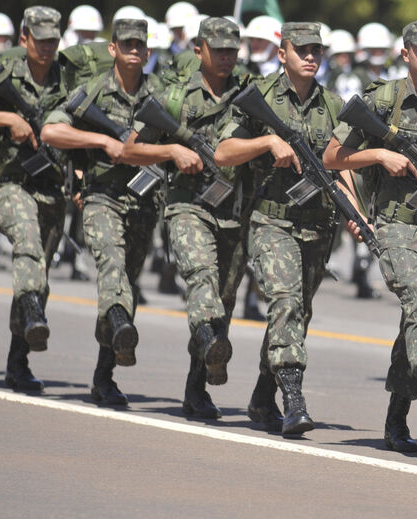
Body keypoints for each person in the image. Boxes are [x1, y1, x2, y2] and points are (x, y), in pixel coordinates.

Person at [324, 18, 417, 452]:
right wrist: (380, 153)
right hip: (397, 226)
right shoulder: (382, 100)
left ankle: (396, 417)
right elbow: (331, 156)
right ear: (406, 54)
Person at [216, 22, 346, 437]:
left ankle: (261, 394)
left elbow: (342, 169)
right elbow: (223, 152)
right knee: (285, 303)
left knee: (297, 315)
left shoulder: (335, 105)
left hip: (318, 226)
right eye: (302, 49)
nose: (311, 56)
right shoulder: (260, 98)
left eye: (317, 50)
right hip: (272, 222)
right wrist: (265, 144)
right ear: (282, 53)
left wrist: (357, 216)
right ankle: (294, 398)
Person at [123, 17, 249, 420]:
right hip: (187, 204)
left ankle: (197, 387)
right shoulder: (175, 96)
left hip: (234, 211)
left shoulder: (249, 93)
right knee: (201, 277)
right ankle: (209, 340)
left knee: (223, 300)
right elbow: (131, 149)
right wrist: (172, 152)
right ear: (199, 50)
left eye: (233, 50)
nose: (227, 57)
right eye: (219, 50)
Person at [41, 18, 163, 406]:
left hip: (143, 202)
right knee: (111, 267)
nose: (133, 50)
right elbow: (51, 131)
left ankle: (103, 374)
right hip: (101, 197)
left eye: (139, 45)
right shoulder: (92, 91)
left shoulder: (161, 95)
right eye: (126, 43)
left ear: (147, 51)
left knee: (126, 285)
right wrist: (104, 141)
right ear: (112, 49)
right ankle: (120, 333)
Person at [0, 7, 68, 392]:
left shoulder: (66, 76)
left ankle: (17, 362)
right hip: (11, 182)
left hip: (52, 187)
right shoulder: (4, 70)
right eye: (41, 40)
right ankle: (32, 308)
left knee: (39, 275)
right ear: (24, 39)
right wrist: (9, 120)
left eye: (53, 39)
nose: (47, 47)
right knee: (28, 245)